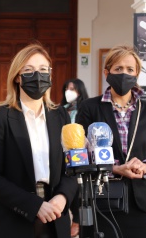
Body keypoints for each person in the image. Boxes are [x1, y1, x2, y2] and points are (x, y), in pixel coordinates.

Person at [0, 44, 77, 238]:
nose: (37, 75)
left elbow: (72, 167)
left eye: (43, 70)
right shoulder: (0, 117)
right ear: (17, 76)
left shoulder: (60, 116)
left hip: (55, 217)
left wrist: (62, 197)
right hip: (12, 219)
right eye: (29, 70)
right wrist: (34, 206)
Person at [76, 45, 146, 238]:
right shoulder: (89, 107)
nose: (124, 73)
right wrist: (114, 168)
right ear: (106, 73)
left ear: (137, 74)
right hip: (100, 197)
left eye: (129, 69)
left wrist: (145, 166)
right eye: (118, 69)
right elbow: (79, 155)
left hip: (140, 200)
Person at [60, 78, 89, 237]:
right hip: (61, 154)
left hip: (79, 155)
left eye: (73, 89)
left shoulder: (84, 109)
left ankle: (77, 221)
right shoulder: (61, 109)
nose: (69, 91)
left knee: (77, 188)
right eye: (67, 88)